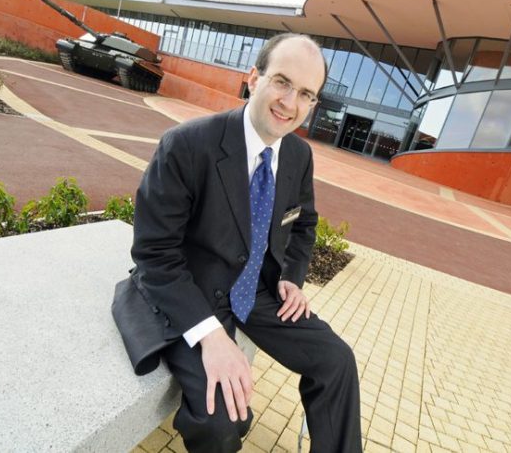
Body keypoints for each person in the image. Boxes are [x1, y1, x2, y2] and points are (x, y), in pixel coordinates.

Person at [123, 33, 361, 452]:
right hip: (190, 291)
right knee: (222, 421)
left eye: (306, 94)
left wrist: (292, 275)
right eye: (282, 82)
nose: (290, 102)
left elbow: (303, 224)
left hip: (257, 292)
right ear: (254, 78)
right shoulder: (187, 145)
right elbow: (153, 254)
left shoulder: (299, 156)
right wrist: (213, 337)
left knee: (337, 362)